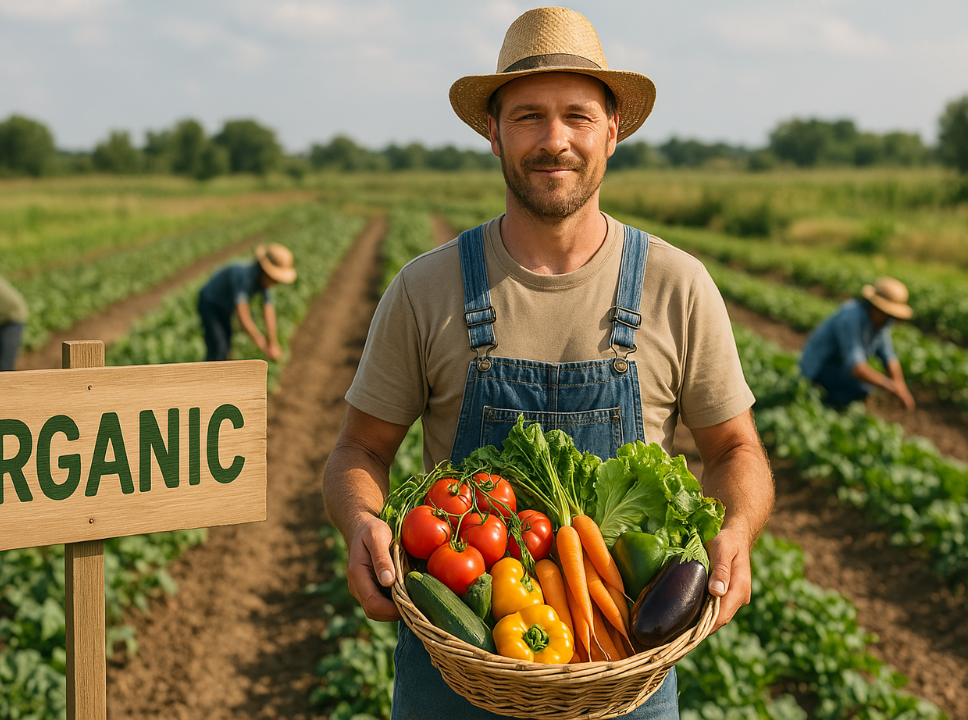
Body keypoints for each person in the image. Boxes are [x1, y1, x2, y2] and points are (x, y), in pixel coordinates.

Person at [321, 7, 775, 719]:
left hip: (624, 676)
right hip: (456, 675)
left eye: (577, 116)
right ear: (492, 132)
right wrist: (361, 526)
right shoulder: (426, 288)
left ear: (612, 133)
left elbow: (736, 447)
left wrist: (737, 535)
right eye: (529, 116)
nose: (554, 140)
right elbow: (358, 448)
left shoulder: (676, 285)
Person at [798, 277, 915, 410]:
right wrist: (889, 386)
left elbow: (888, 356)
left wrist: (901, 386)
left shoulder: (880, 323)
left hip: (840, 366)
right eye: (889, 314)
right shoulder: (851, 317)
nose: (891, 319)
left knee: (863, 386)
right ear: (876, 307)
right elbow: (856, 368)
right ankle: (826, 405)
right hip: (819, 366)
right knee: (862, 388)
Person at [197, 243, 296, 362]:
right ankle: (210, 375)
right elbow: (243, 316)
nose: (276, 283)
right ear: (265, 271)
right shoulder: (245, 276)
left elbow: (269, 311)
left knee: (226, 344)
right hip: (209, 302)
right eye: (275, 280)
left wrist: (273, 342)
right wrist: (261, 343)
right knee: (219, 346)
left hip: (225, 306)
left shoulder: (263, 282)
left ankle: (220, 371)